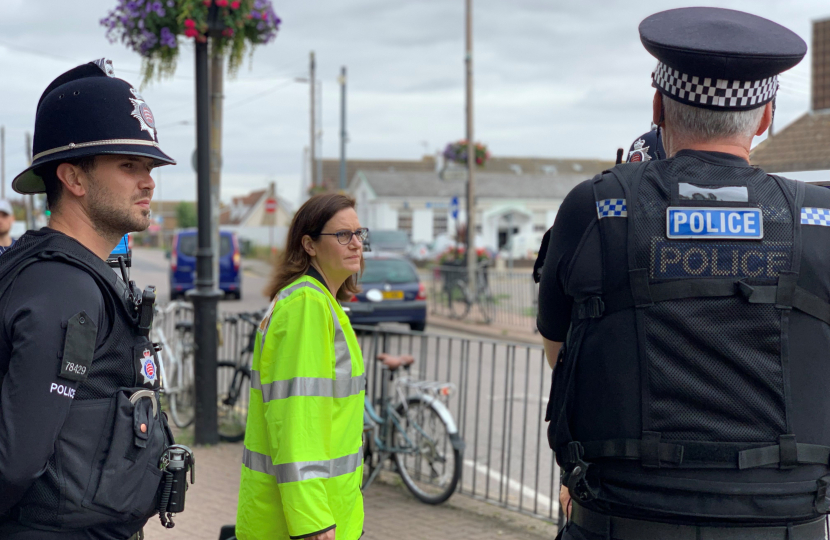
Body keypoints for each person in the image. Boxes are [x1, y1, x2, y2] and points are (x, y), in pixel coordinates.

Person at [537, 8, 830, 540]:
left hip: (623, 517)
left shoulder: (598, 207)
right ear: (765, 117)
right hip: (785, 522)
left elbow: (560, 349)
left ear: (658, 108)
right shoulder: (821, 219)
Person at [0, 59, 177, 539]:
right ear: (74, 179)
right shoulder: (65, 286)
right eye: (128, 165)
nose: (148, 182)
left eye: (149, 166)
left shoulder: (74, 274)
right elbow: (14, 462)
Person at [237, 193, 367, 540]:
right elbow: (298, 417)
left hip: (319, 512)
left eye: (359, 233)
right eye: (343, 235)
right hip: (306, 523)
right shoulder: (308, 304)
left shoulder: (318, 300)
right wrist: (313, 521)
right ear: (309, 244)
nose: (356, 244)